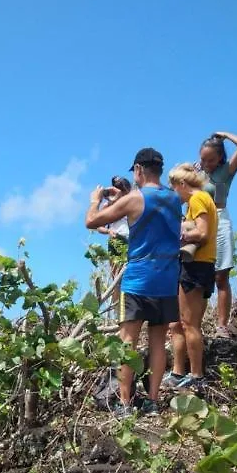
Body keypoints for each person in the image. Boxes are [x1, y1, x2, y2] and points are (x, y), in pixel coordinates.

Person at [85, 148, 181, 418]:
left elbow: (91, 221)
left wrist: (95, 200)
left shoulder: (135, 199)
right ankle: (151, 401)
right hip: (166, 279)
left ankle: (125, 404)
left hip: (139, 280)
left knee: (127, 341)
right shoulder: (175, 199)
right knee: (158, 341)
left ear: (138, 169)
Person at [163, 164, 218, 392]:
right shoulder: (202, 200)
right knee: (176, 323)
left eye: (174, 188)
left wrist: (180, 234)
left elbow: (203, 233)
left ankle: (196, 376)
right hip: (196, 266)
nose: (175, 195)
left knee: (189, 324)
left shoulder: (198, 199)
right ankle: (178, 372)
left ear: (182, 185)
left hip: (197, 267)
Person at [198, 131, 237, 337]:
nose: (206, 163)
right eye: (203, 158)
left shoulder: (226, 171)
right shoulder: (197, 174)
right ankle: (194, 324)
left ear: (220, 157)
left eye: (210, 159)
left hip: (220, 220)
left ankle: (222, 325)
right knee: (200, 277)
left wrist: (224, 135)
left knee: (220, 276)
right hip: (201, 222)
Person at [94, 176, 132, 282]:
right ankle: (116, 298)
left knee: (132, 275)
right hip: (117, 239)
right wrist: (108, 231)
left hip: (133, 240)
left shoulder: (133, 203)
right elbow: (98, 226)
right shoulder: (109, 206)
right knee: (117, 277)